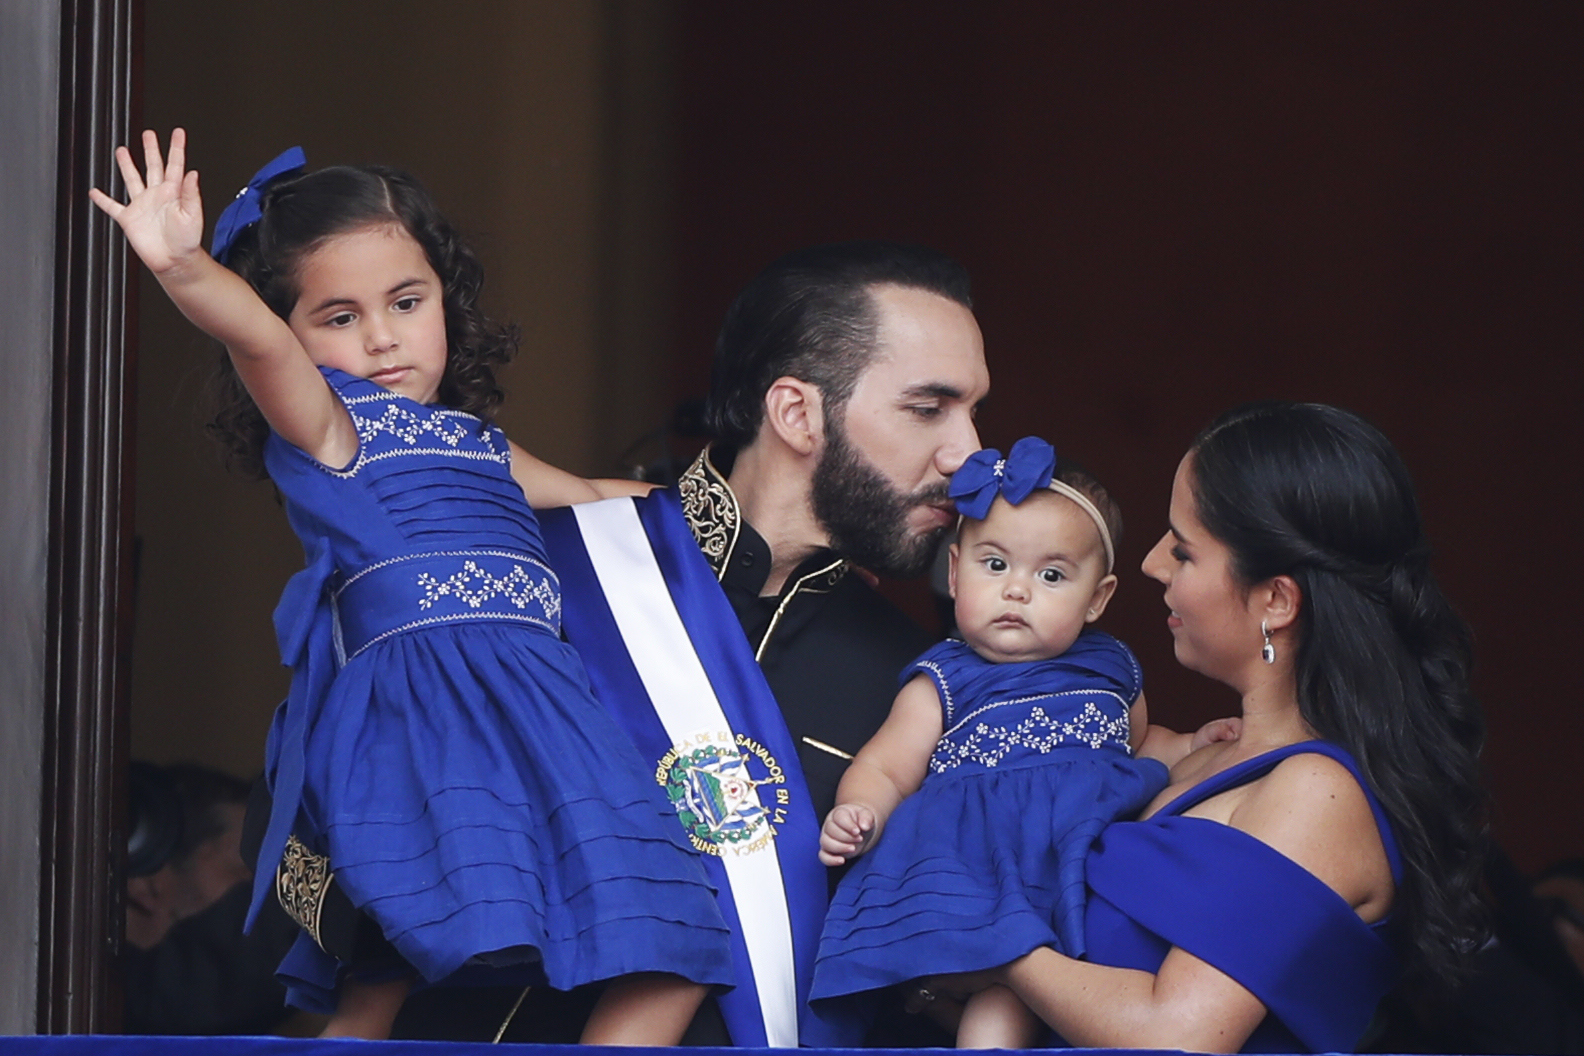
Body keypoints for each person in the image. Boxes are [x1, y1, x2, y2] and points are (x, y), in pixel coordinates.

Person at [242, 239, 993, 1045]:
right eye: (929, 408)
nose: (970, 452)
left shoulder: (925, 686)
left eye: (973, 411)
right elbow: (307, 824)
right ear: (796, 412)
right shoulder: (539, 563)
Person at [92, 129, 732, 1042]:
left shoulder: (479, 444)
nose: (383, 336)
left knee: (671, 932)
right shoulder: (332, 426)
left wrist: (749, 503)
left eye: (406, 300)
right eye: (339, 316)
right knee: (377, 969)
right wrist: (184, 265)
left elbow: (602, 501)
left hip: (549, 721)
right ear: (298, 335)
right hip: (428, 726)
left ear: (447, 300)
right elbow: (257, 341)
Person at [925, 402, 1487, 1052]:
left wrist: (1002, 949)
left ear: (1275, 600)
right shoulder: (1195, 759)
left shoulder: (1317, 794)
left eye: (1184, 550)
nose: (1152, 564)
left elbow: (1177, 1036)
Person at [810, 437, 1233, 1047]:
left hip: (1076, 861)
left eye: (1052, 575)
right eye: (995, 564)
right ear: (955, 573)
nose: (1017, 590)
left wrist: (1193, 742)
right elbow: (888, 766)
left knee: (1077, 990)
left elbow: (1138, 747)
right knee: (1001, 1000)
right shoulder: (945, 681)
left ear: (1098, 598)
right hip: (980, 873)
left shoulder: (1112, 669)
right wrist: (862, 812)